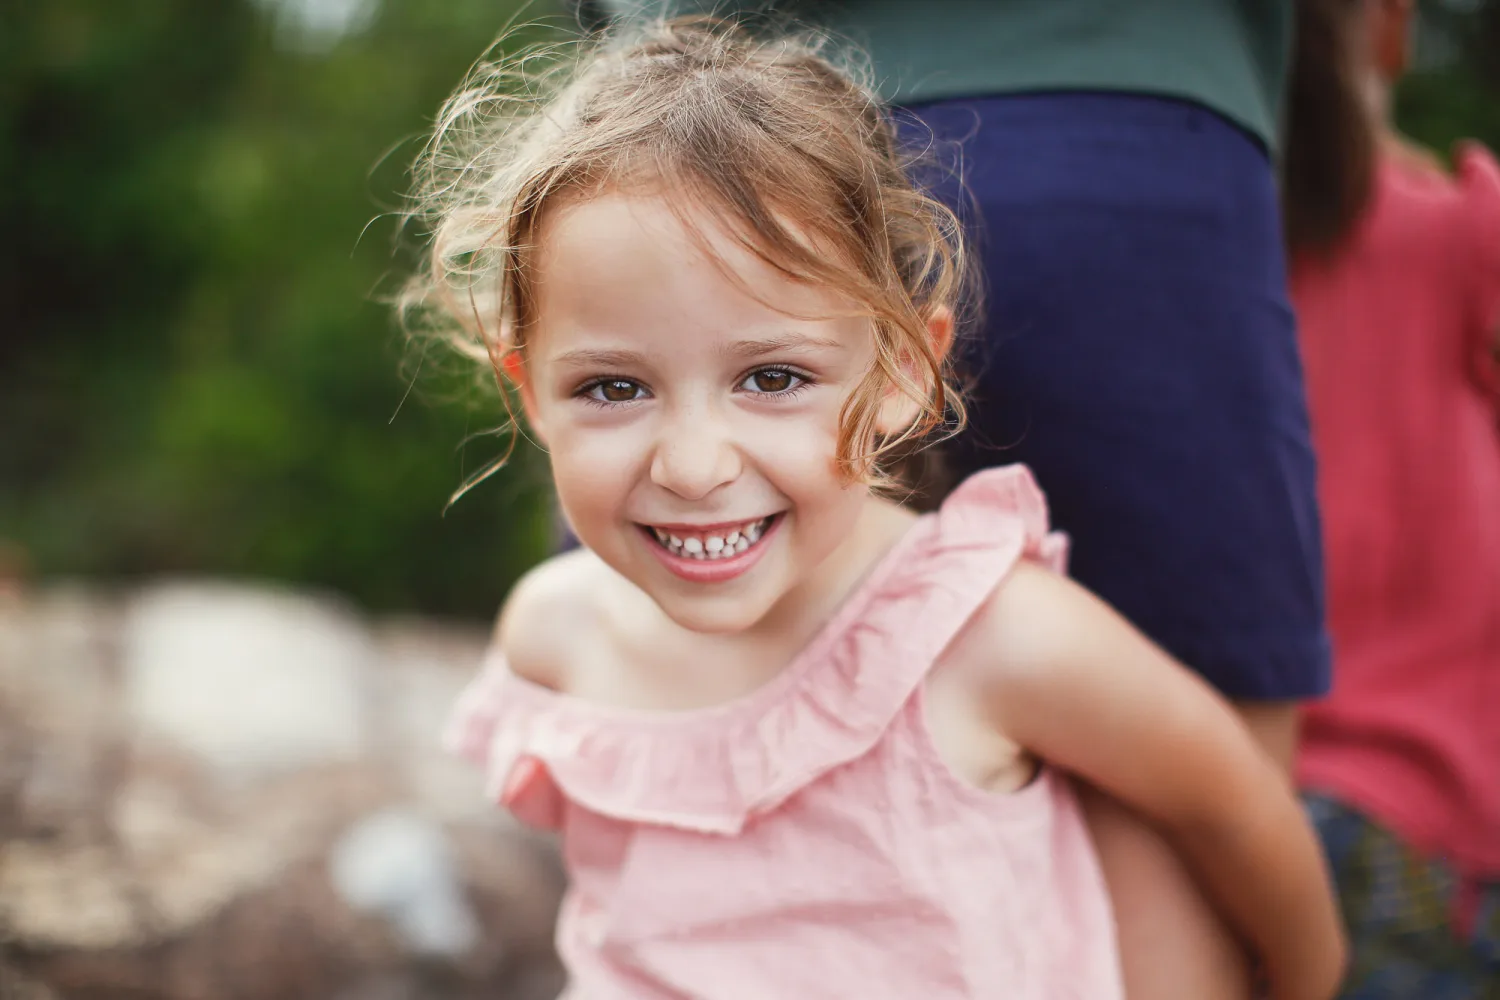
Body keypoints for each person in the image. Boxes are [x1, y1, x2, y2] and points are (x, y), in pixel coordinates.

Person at [402, 18, 1347, 998]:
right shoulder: (552, 633)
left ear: (902, 370)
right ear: (528, 391)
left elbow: (1236, 807)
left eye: (771, 377)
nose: (691, 464)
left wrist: (1312, 982)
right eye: (611, 388)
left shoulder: (992, 633)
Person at [1282, 0, 1500, 993]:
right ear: (1390, 31)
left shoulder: (1211, 258)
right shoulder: (1463, 231)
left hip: (1253, 803)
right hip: (1437, 813)